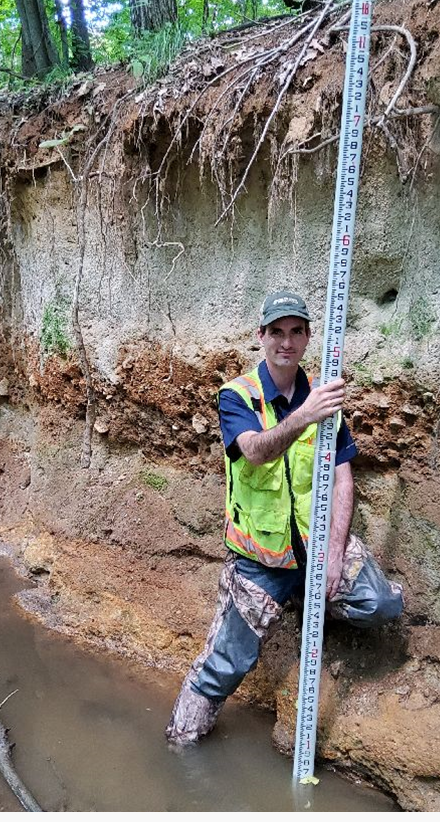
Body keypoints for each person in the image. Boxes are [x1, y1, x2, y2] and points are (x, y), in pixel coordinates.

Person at [165, 290, 365, 746]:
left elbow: (342, 479)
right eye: (277, 332)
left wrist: (334, 555)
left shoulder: (323, 396)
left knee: (379, 602)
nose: (287, 342)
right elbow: (254, 451)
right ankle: (180, 743)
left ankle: (313, 607)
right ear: (261, 337)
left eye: (297, 332)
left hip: (314, 548)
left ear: (310, 337)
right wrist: (304, 416)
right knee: (225, 663)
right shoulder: (238, 396)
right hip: (261, 562)